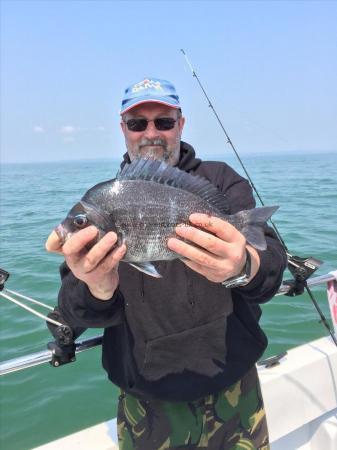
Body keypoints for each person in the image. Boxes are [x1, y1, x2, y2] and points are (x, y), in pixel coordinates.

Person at [46, 77, 287, 450]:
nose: (151, 133)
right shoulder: (104, 200)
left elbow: (271, 266)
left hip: (234, 384)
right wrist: (97, 286)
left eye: (164, 121)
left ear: (181, 124)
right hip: (148, 401)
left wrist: (242, 264)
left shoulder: (221, 181)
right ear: (123, 129)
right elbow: (73, 309)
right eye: (138, 123)